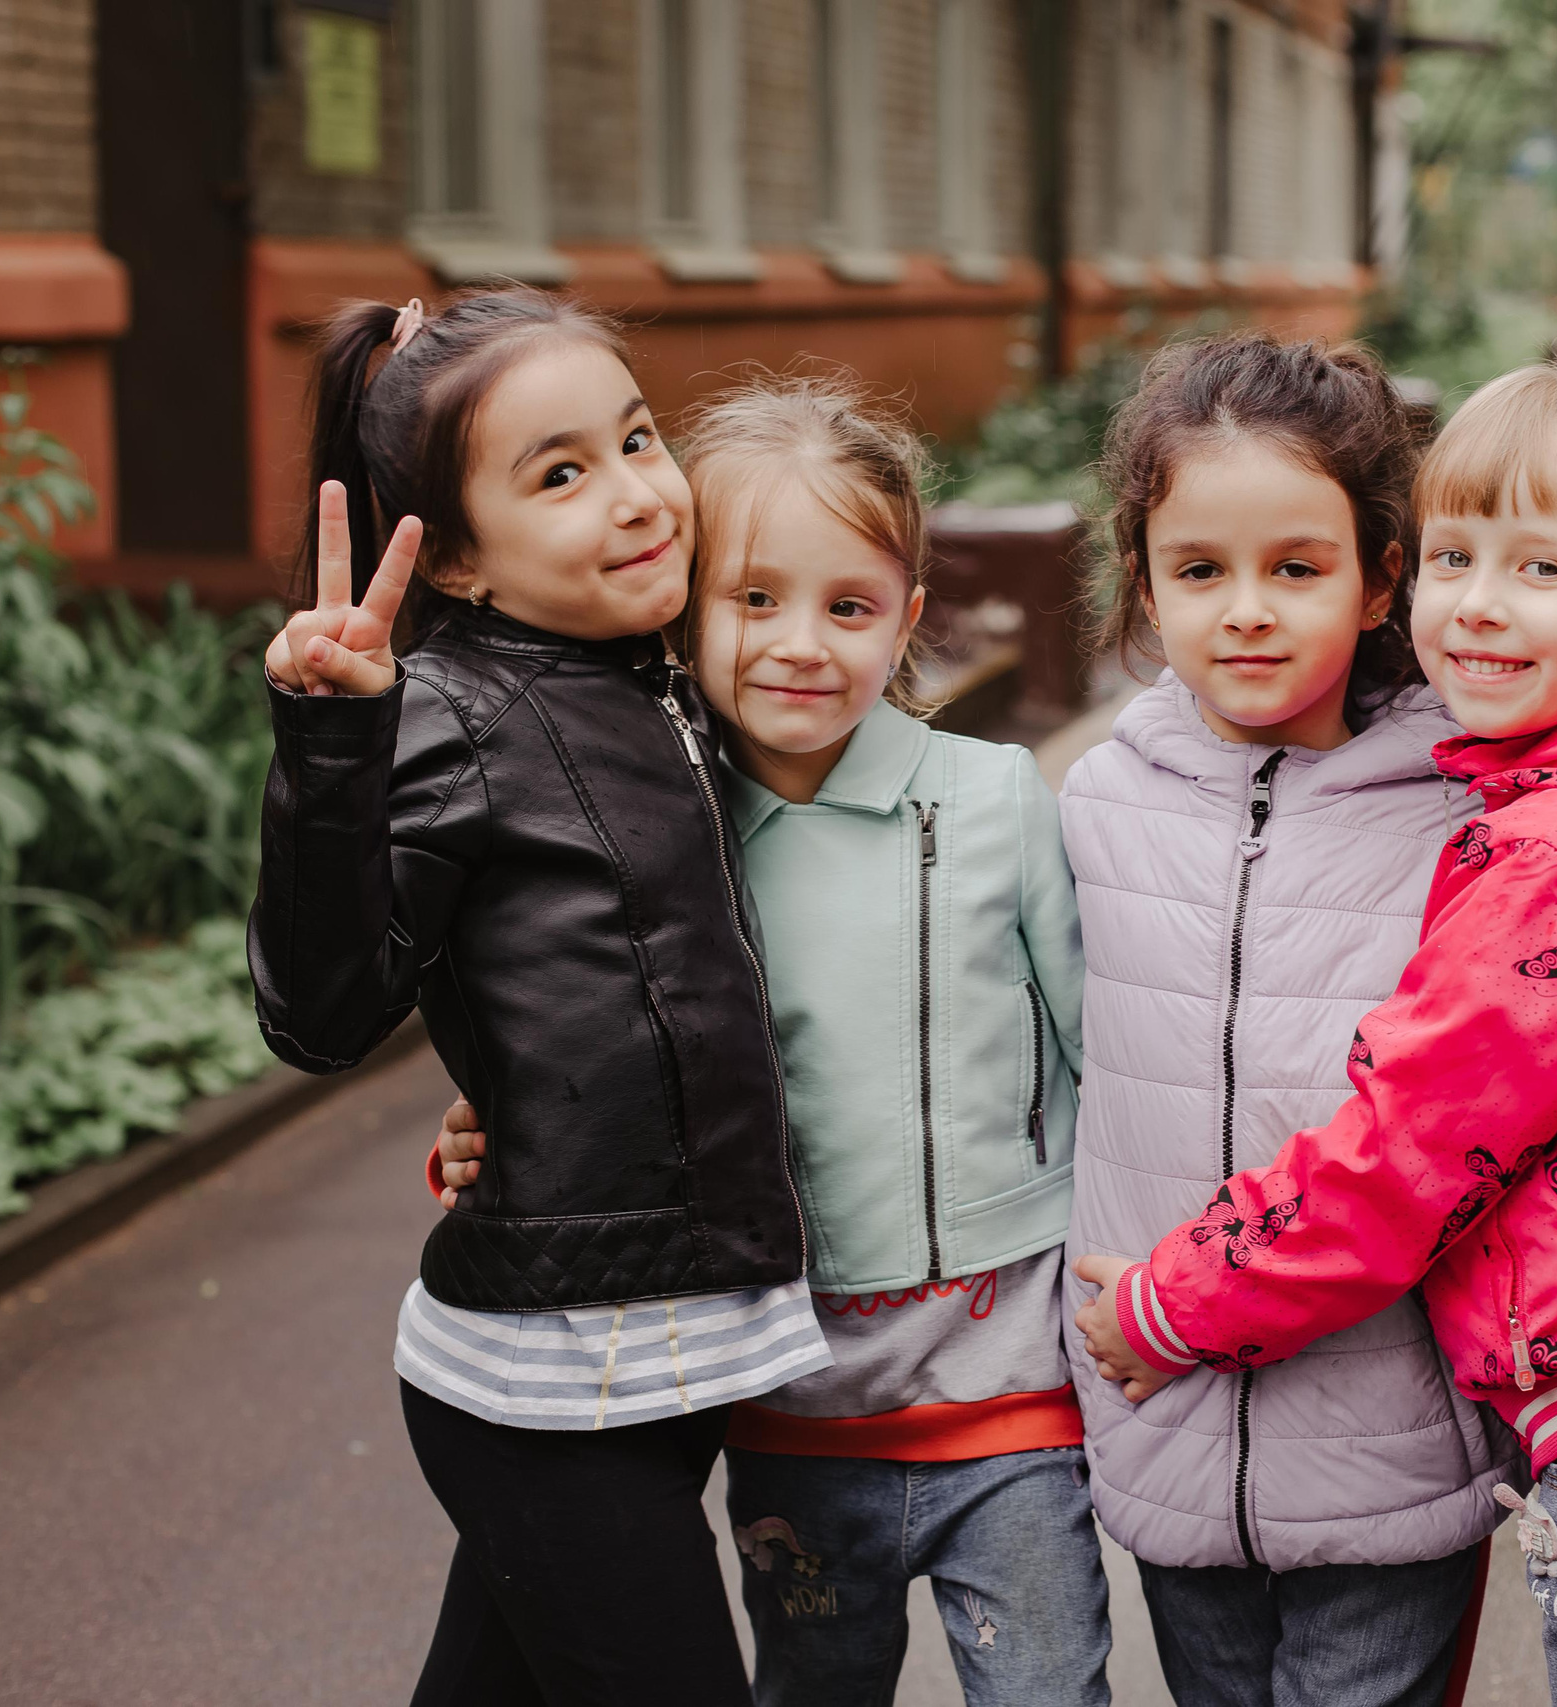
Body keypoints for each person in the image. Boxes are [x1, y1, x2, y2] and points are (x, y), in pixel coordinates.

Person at [1058, 332, 1557, 1707]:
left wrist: (1169, 1308)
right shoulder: (1101, 803)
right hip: (1191, 1439)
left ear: (1374, 578)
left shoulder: (1510, 822)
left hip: (1502, 1414)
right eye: (1461, 559)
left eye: (1541, 569)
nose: (1248, 612)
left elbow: (1410, 1150)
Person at [428, 375, 1110, 1705]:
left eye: (849, 606)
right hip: (786, 1405)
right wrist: (506, 1124)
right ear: (685, 613)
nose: (802, 644)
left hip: (1012, 1396)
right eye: (753, 600)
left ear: (908, 617)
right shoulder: (655, 832)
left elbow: (1101, 1055)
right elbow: (602, 1046)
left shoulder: (993, 800)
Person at [249, 290, 826, 1707]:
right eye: (560, 475)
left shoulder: (656, 676)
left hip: (658, 1341)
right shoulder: (453, 714)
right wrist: (333, 741)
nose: (634, 495)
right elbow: (322, 1014)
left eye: (636, 439)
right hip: (555, 1380)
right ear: (456, 556)